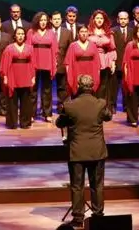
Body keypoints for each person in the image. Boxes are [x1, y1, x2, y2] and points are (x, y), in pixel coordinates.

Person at [55, 74, 112, 228]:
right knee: (97, 185)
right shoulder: (100, 104)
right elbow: (108, 117)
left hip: (77, 152)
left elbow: (59, 123)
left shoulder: (70, 105)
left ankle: (78, 218)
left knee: (77, 185)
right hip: (96, 151)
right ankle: (98, 215)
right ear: (92, 87)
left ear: (79, 87)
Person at [0, 27, 36, 129]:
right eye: (18, 34)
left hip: (26, 76)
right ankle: (12, 123)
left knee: (26, 101)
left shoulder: (30, 48)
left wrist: (33, 76)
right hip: (13, 77)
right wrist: (5, 76)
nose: (20, 36)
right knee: (12, 101)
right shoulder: (9, 48)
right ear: (15, 36)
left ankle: (25, 123)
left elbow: (33, 64)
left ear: (25, 36)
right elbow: (5, 64)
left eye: (22, 34)